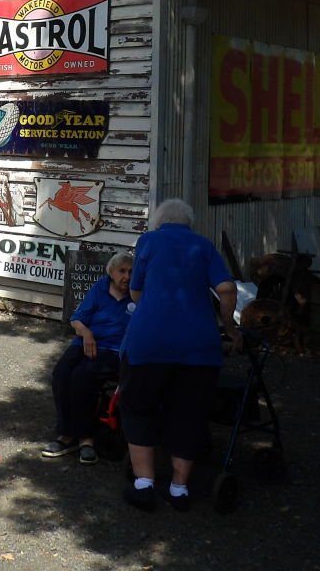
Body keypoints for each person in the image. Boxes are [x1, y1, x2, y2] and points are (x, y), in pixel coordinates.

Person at [119, 199, 239, 512]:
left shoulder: (149, 240)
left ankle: (143, 485)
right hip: (199, 345)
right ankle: (179, 488)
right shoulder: (202, 244)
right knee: (190, 413)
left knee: (138, 407)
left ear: (159, 222)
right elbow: (226, 288)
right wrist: (229, 325)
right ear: (189, 222)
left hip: (150, 342)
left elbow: (135, 291)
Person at [41, 251, 135, 465]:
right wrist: (87, 333)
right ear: (111, 272)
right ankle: (65, 434)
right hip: (86, 342)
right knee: (62, 373)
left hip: (114, 350)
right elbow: (77, 319)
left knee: (82, 378)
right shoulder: (100, 288)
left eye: (131, 271)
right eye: (122, 271)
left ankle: (86, 439)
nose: (127, 276)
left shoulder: (138, 295)